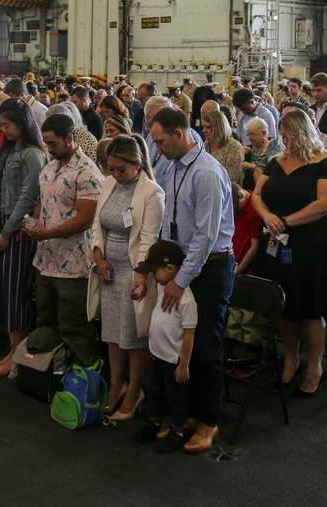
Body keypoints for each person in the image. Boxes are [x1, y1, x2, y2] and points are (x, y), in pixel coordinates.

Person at [148, 107, 235, 453]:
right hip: (185, 265)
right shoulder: (172, 167)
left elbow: (206, 236)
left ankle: (209, 422)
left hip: (211, 268)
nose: (156, 149)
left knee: (206, 348)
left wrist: (180, 280)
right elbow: (169, 218)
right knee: (183, 343)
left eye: (159, 141)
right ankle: (191, 413)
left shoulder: (207, 173)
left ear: (179, 134)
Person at [251, 108, 327, 398]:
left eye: (289, 137)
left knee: (310, 308)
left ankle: (314, 366)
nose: (285, 143)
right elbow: (257, 195)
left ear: (303, 134)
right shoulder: (276, 162)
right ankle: (290, 359)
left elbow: (326, 204)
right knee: (286, 308)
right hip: (279, 241)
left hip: (314, 242)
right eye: (282, 137)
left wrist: (286, 222)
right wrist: (268, 216)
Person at [90, 134, 165, 421]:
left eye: (121, 169)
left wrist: (140, 277)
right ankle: (116, 383)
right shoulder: (109, 182)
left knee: (134, 335)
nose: (114, 175)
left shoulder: (151, 192)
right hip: (108, 267)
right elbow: (98, 224)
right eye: (111, 168)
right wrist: (98, 256)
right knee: (111, 332)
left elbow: (148, 240)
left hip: (135, 270)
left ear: (137, 165)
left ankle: (135, 390)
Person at [25, 113, 103, 366]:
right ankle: (50, 373)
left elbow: (85, 219)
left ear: (70, 138)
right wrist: (35, 222)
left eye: (53, 143)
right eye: (46, 143)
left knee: (74, 327)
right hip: (46, 260)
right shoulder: (50, 166)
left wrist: (46, 233)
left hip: (74, 265)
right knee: (45, 323)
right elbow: (44, 202)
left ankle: (84, 384)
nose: (48, 148)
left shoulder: (87, 172)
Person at [0, 99, 47, 377]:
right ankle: (11, 350)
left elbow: (28, 198)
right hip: (2, 224)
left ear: (22, 124)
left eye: (8, 125)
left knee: (15, 293)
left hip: (18, 229)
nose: (3, 129)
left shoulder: (33, 155)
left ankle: (17, 353)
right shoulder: (8, 152)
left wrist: (7, 232)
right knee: (2, 289)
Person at [132, 240, 196, 453]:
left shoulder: (186, 300)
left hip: (173, 358)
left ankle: (177, 430)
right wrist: (150, 328)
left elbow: (189, 334)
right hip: (156, 353)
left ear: (170, 269)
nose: (152, 276)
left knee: (176, 396)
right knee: (155, 391)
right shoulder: (162, 287)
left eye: (154, 271)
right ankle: (154, 422)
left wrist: (184, 364)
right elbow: (158, 312)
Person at [202, 110, 242, 186]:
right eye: (203, 127)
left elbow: (231, 179)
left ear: (219, 127)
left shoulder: (234, 147)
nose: (204, 131)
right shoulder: (205, 145)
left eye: (208, 127)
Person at [241, 117, 282, 190]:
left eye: (252, 134)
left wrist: (254, 166)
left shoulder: (274, 150)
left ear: (264, 133)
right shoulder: (249, 150)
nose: (249, 138)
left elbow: (274, 171)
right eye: (248, 135)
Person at [232, 183, 263, 275]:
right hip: (231, 260)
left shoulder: (255, 211)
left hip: (244, 268)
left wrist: (236, 273)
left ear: (241, 195)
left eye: (235, 209)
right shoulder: (236, 204)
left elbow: (254, 248)